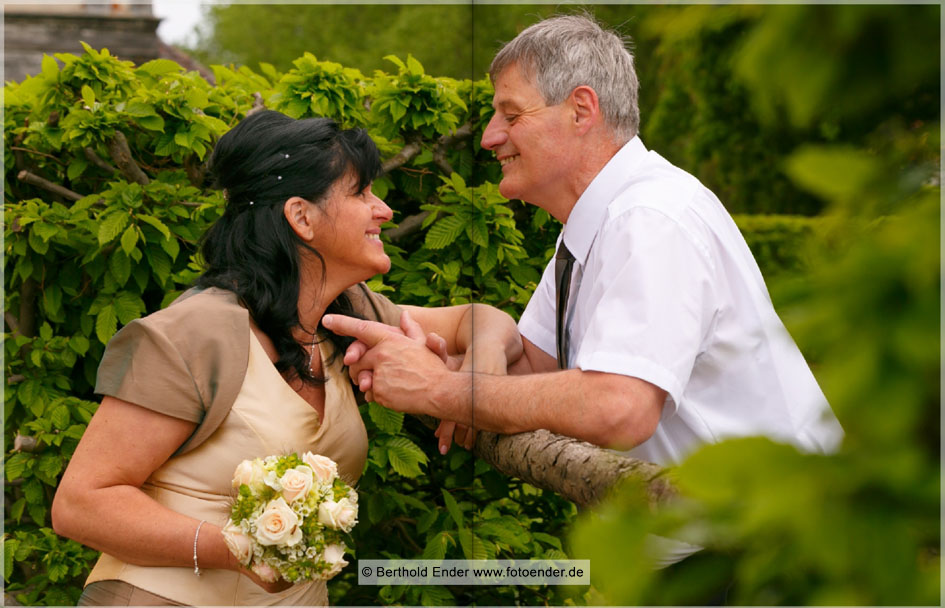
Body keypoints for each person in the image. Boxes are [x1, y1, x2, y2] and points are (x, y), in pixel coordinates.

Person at [324, 14, 843, 472]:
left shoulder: (650, 218)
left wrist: (441, 390)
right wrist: (429, 363)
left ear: (580, 109)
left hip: (775, 553)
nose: (487, 137)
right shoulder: (597, 221)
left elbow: (620, 406)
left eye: (510, 114)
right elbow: (532, 365)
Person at [51, 110, 521, 605]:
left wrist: (478, 377)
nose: (383, 210)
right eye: (361, 193)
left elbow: (483, 321)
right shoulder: (197, 332)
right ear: (301, 217)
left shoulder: (347, 314)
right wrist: (238, 549)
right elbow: (81, 503)